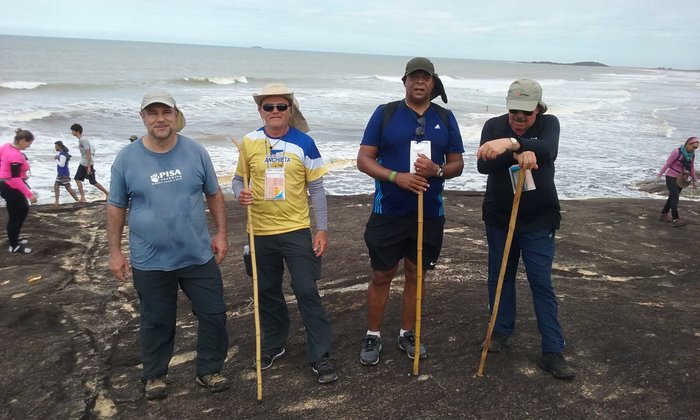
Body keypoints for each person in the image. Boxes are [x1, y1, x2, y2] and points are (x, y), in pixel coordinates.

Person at [107, 91, 231, 400]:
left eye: (166, 111)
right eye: (153, 113)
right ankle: (155, 376)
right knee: (157, 319)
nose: (160, 118)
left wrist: (222, 234)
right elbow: (116, 206)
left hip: (197, 254)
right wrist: (115, 252)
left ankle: (209, 370)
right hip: (150, 259)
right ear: (143, 118)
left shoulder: (196, 152)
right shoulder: (127, 158)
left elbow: (213, 193)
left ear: (175, 115)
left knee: (214, 314)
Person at [356, 57, 464, 366]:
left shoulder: (445, 116)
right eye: (413, 77)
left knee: (417, 274)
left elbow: (457, 164)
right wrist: (396, 176)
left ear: (433, 83)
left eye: (425, 78)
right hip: (388, 210)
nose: (419, 82)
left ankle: (408, 333)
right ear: (404, 81)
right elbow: (364, 159)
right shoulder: (385, 113)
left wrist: (437, 169)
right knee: (381, 274)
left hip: (429, 212)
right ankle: (373, 334)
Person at [231, 83, 337, 384]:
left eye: (281, 107)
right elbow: (238, 181)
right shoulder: (248, 142)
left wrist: (322, 229)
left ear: (290, 111)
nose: (275, 112)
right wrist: (241, 194)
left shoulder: (305, 143)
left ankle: (320, 354)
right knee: (266, 291)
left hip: (296, 230)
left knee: (306, 289)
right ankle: (275, 345)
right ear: (260, 111)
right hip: (260, 232)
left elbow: (316, 188)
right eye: (269, 107)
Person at [476, 79, 574, 379]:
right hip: (500, 217)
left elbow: (549, 149)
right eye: (514, 111)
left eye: (526, 113)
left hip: (539, 218)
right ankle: (501, 330)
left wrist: (512, 143)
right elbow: (484, 166)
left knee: (541, 282)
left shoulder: (549, 124)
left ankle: (552, 350)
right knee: (500, 276)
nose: (518, 117)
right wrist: (517, 153)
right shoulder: (493, 125)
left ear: (537, 109)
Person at [0, 128, 38, 254]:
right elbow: (15, 179)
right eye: (28, 144)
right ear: (22, 141)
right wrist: (30, 194)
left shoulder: (6, 146)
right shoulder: (15, 155)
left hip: (5, 183)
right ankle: (14, 246)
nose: (29, 146)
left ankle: (14, 238)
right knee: (18, 214)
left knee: (19, 212)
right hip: (10, 186)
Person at [657, 136, 698, 227]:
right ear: (688, 144)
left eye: (696, 148)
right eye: (693, 147)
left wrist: (695, 180)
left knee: (672, 196)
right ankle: (675, 218)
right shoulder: (677, 152)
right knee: (675, 195)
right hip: (671, 176)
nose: (694, 149)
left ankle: (663, 213)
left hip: (681, 179)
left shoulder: (692, 155)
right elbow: (668, 164)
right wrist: (659, 175)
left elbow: (691, 167)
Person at [70, 123, 109, 201]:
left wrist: (88, 167)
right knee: (78, 179)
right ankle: (83, 197)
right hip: (83, 163)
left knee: (92, 181)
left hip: (87, 164)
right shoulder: (81, 140)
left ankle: (107, 193)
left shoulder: (83, 140)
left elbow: (88, 152)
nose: (72, 132)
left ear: (77, 131)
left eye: (73, 131)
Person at [53, 140, 79, 205]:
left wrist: (56, 159)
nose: (55, 148)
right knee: (59, 186)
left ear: (59, 146)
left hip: (63, 173)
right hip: (62, 173)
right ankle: (57, 201)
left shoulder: (62, 154)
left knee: (66, 187)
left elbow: (62, 164)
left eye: (56, 146)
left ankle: (77, 199)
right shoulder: (61, 153)